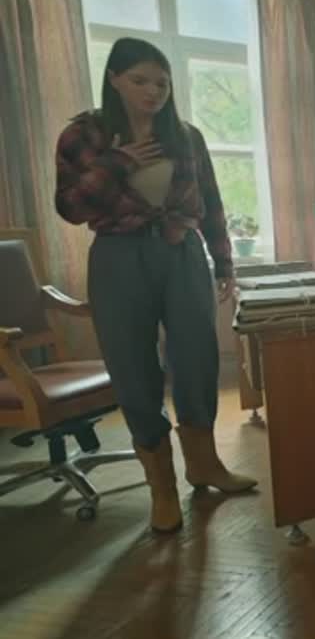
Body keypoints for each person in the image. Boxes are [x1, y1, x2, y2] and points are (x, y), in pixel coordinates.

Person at [54, 37, 256, 535]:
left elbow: (210, 200)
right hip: (118, 256)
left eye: (162, 83)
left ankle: (204, 464)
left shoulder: (185, 136)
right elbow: (70, 208)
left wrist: (223, 262)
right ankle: (162, 488)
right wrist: (115, 164)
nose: (153, 91)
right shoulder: (83, 136)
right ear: (114, 79)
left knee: (198, 358)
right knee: (133, 367)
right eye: (140, 80)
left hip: (182, 252)